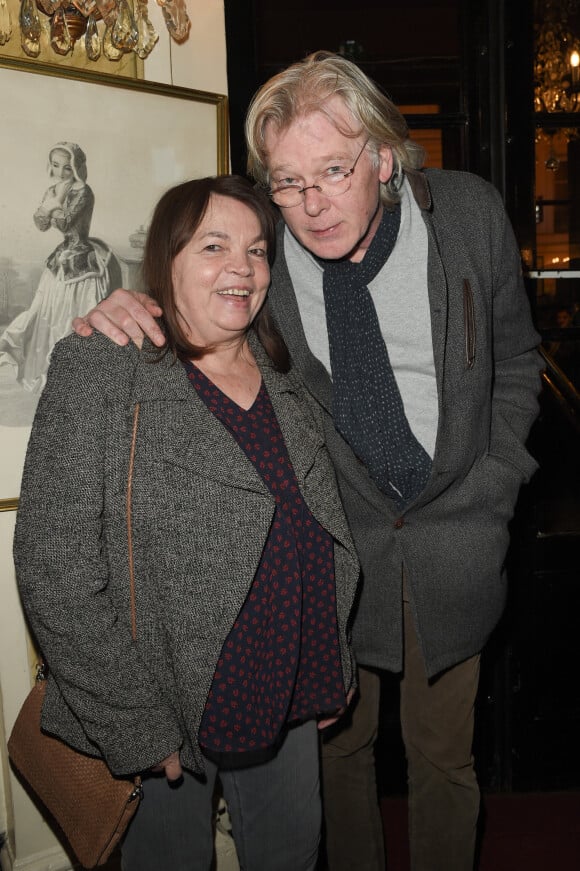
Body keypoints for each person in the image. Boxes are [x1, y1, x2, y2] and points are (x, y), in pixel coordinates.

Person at [71, 52, 543, 871]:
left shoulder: (468, 216)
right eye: (287, 182)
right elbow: (195, 285)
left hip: (457, 539)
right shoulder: (265, 259)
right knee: (337, 756)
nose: (311, 204)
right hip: (330, 559)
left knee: (443, 758)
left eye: (332, 169)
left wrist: (496, 486)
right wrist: (124, 297)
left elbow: (516, 360)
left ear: (384, 157)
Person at [13, 175, 361, 871]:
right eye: (214, 246)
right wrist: (135, 724)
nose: (243, 267)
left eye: (258, 250)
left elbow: (317, 523)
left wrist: (330, 659)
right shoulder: (103, 366)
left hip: (289, 687)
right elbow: (55, 568)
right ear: (166, 260)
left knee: (294, 855)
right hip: (167, 706)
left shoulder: (282, 368)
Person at [0, 142, 120, 393]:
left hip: (81, 264)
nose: (61, 171)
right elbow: (41, 223)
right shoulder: (53, 189)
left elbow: (66, 225)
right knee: (43, 314)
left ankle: (78, 379)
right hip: (60, 261)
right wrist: (49, 207)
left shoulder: (83, 191)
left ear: (76, 168)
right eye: (56, 166)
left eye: (67, 167)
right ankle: (49, 372)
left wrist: (51, 207)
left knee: (73, 318)